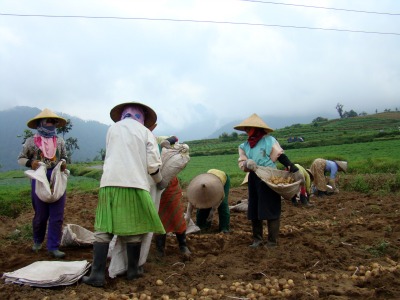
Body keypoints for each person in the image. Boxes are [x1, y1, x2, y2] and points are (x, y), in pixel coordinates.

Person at [82, 102, 165, 287]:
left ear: (123, 115)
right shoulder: (145, 132)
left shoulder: (112, 129)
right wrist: (160, 181)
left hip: (109, 184)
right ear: (142, 116)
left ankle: (97, 275)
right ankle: (133, 271)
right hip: (134, 184)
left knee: (104, 229)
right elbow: (153, 165)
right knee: (133, 227)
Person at [234, 113, 303, 248]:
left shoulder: (269, 140)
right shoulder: (244, 146)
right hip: (254, 177)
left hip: (269, 177)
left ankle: (272, 242)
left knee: (271, 208)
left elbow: (281, 156)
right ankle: (257, 239)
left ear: (256, 128)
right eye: (246, 128)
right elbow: (242, 162)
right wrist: (247, 164)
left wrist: (294, 169)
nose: (247, 131)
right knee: (254, 208)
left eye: (249, 128)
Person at [17, 108, 68, 259]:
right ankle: (38, 241)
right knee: (41, 214)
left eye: (53, 121)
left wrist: (63, 163)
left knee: (57, 214)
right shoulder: (31, 141)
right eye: (48, 121)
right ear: (40, 123)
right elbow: (20, 158)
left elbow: (64, 157)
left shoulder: (59, 141)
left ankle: (53, 246)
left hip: (56, 177)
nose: (51, 124)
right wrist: (31, 162)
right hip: (39, 178)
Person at [153, 134, 191, 258]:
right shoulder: (147, 145)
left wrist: (167, 142)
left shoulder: (160, 140)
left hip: (171, 187)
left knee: (177, 216)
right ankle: (159, 249)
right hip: (154, 186)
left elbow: (175, 138)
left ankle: (183, 246)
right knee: (159, 219)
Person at [196, 169, 231, 233]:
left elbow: (220, 200)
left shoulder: (218, 187)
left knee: (223, 204)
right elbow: (192, 203)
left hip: (223, 179)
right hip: (210, 178)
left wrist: (212, 212)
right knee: (203, 205)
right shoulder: (197, 188)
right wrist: (188, 215)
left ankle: (224, 228)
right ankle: (200, 226)